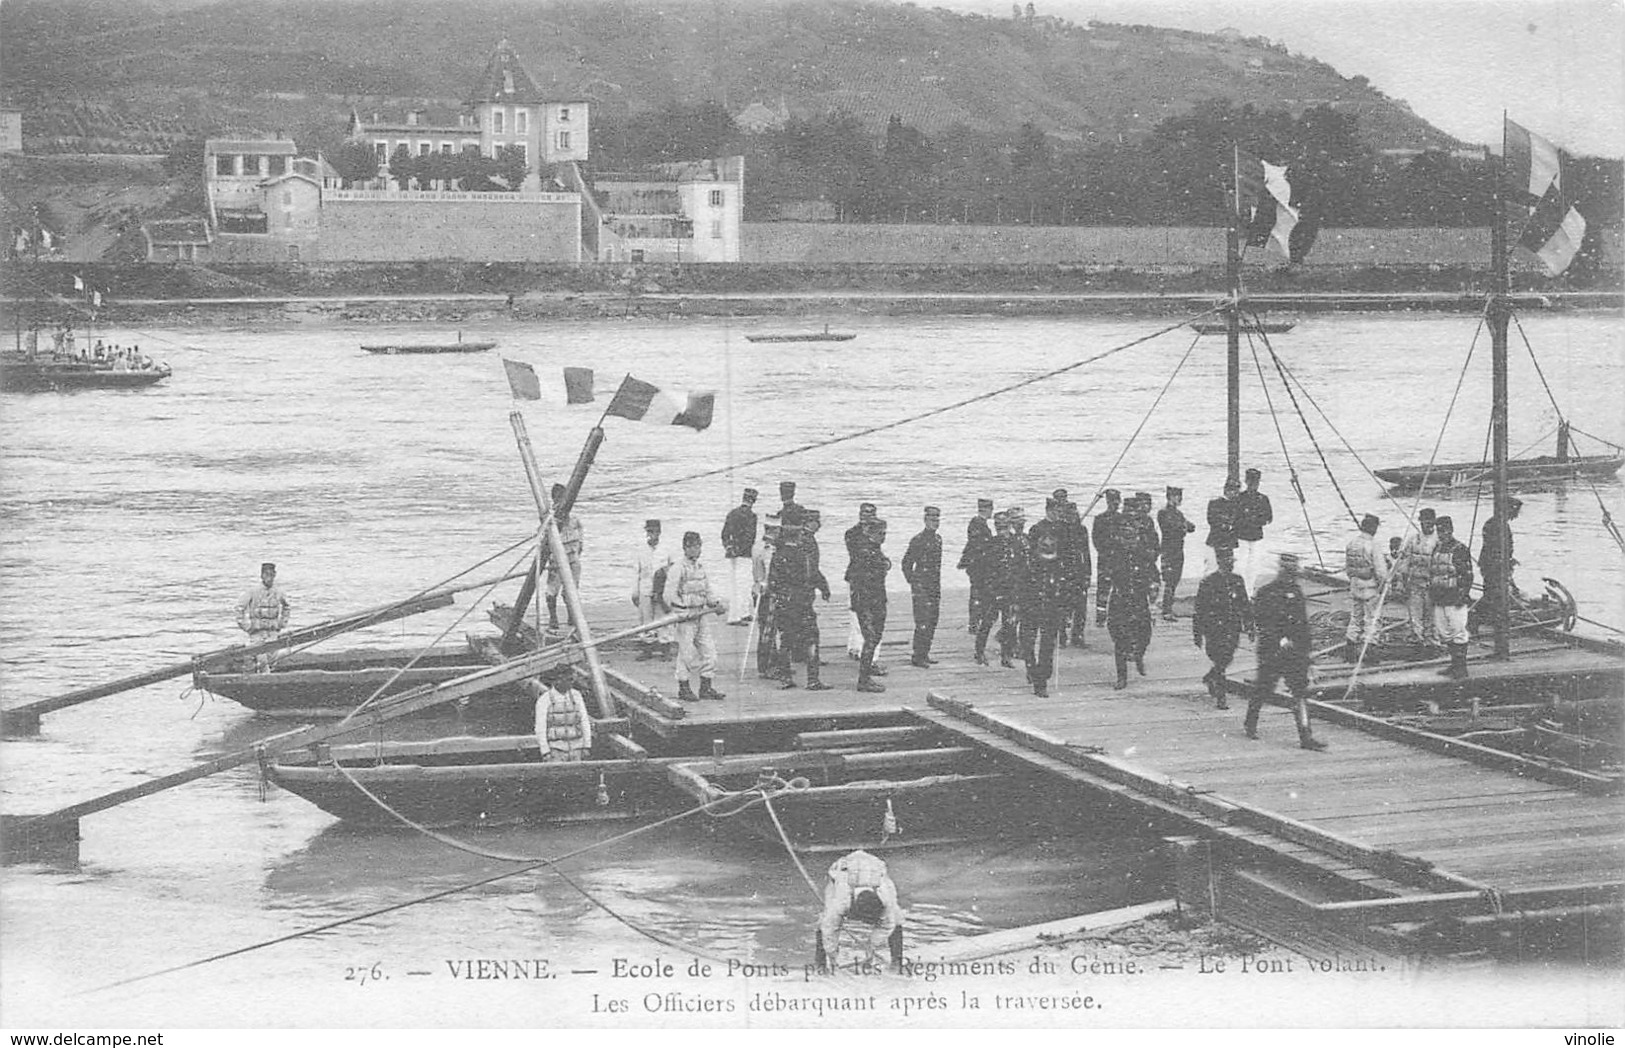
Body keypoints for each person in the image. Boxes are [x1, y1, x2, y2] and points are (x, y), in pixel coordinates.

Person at [1244, 553, 1326, 751]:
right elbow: (1263, 622)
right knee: (1264, 687)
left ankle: (1305, 735)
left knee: (1300, 692)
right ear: (1281, 571)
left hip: (1295, 652)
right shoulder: (1267, 592)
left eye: (1293, 573)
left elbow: (1303, 625)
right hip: (1272, 651)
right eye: (1289, 572)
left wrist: (1308, 654)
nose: (1292, 577)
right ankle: (1250, 722)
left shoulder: (1296, 592)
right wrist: (1280, 640)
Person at [770, 510, 832, 690]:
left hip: (784, 600)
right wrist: (823, 587)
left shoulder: (778, 553)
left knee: (786, 639)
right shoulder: (803, 553)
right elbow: (812, 572)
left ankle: (785, 677)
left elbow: (773, 580)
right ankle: (813, 680)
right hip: (802, 600)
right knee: (812, 637)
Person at [815, 850, 904, 974]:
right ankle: (820, 966)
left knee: (897, 918)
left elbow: (887, 925)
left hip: (875, 869)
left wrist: (871, 947)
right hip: (843, 871)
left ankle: (897, 963)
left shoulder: (885, 900)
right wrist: (833, 958)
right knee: (824, 921)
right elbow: (830, 931)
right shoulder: (842, 901)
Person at [662, 531, 728, 702]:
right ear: (686, 548)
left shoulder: (700, 567)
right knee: (686, 654)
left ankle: (706, 687)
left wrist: (715, 604)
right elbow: (668, 595)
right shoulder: (678, 568)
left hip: (701, 615)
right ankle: (683, 688)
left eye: (699, 546)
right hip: (685, 618)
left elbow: (708, 590)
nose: (698, 550)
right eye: (694, 546)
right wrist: (683, 610)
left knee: (710, 652)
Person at [1193, 546, 1253, 709]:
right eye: (1227, 561)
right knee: (1219, 658)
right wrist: (1197, 634)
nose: (1230, 564)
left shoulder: (1237, 580)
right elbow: (1199, 609)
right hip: (1214, 628)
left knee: (1227, 658)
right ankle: (1221, 697)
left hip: (1232, 626)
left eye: (1231, 561)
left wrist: (1249, 625)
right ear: (1220, 562)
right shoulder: (1209, 582)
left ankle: (1211, 677)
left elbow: (1244, 604)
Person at [1106, 507, 1156, 691]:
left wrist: (1153, 587)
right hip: (1120, 599)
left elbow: (1154, 573)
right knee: (1119, 639)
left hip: (1139, 599)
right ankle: (1122, 677)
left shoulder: (1143, 553)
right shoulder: (1114, 554)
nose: (1130, 543)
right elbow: (1105, 578)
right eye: (1127, 539)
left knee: (1145, 633)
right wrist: (1102, 608)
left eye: (1133, 539)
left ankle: (1139, 655)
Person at [1020, 528, 1068, 697]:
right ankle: (1031, 667)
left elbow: (1064, 589)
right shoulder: (1028, 563)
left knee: (1047, 647)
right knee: (1027, 643)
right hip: (1030, 608)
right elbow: (1019, 585)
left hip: (1050, 609)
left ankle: (1041, 681)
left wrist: (1064, 610)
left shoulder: (1059, 564)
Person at [847, 515, 892, 693]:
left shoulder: (874, 550)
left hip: (876, 599)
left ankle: (866, 675)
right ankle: (863, 679)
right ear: (871, 533)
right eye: (881, 533)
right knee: (871, 638)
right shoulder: (864, 552)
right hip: (866, 601)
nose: (884, 536)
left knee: (875, 637)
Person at [973, 512, 1023, 668]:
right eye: (999, 528)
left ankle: (1006, 655)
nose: (1002, 531)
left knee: (1009, 623)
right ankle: (979, 652)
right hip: (993, 591)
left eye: (1005, 527)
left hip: (1010, 590)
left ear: (1009, 527)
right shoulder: (990, 544)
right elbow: (982, 568)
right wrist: (987, 589)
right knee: (987, 622)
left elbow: (1019, 566)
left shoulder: (1016, 543)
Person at [1428, 516, 1475, 680]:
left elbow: (1467, 575)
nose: (1442, 534)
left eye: (1445, 530)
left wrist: (1463, 595)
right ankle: (1454, 663)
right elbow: (1432, 572)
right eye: (1439, 531)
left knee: (1458, 630)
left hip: (1455, 596)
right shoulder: (1437, 548)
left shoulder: (1460, 549)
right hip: (1439, 596)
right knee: (1443, 631)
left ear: (1451, 529)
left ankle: (1461, 667)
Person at [1343, 513, 1389, 663]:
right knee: (1372, 619)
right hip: (1370, 587)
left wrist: (1353, 581)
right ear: (1373, 528)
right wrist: (1384, 587)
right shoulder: (1373, 545)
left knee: (1355, 618)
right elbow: (1381, 571)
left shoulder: (1351, 543)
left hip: (1355, 584)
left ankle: (1350, 649)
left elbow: (1348, 568)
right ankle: (1370, 652)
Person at [901, 506, 943, 668]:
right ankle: (918, 655)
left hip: (934, 585)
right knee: (922, 621)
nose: (935, 523)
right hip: (921, 587)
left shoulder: (938, 539)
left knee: (932, 620)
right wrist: (913, 582)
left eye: (937, 520)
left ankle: (925, 653)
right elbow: (906, 563)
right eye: (932, 520)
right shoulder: (918, 540)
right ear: (925, 520)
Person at [1474, 497, 1523, 638]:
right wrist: (1504, 562)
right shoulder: (1495, 524)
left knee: (1495, 595)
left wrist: (1509, 559)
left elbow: (1504, 548)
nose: (1517, 515)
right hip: (1492, 566)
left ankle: (1494, 623)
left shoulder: (1499, 524)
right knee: (1493, 595)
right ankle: (1477, 619)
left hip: (1496, 565)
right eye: (1516, 511)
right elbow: (1493, 548)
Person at [631, 519, 674, 660]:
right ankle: (647, 648)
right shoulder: (640, 550)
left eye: (654, 531)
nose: (651, 535)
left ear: (659, 533)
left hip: (662, 589)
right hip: (645, 587)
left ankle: (665, 648)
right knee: (646, 619)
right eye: (649, 531)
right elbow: (636, 572)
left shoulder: (667, 549)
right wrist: (635, 591)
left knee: (663, 618)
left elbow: (673, 570)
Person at [1396, 509, 1440, 647]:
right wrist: (1402, 582)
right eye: (1424, 521)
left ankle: (1432, 642)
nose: (1427, 524)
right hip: (1415, 583)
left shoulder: (1438, 541)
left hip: (1431, 584)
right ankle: (1418, 640)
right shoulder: (1413, 539)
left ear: (1434, 522)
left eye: (1429, 521)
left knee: (1431, 616)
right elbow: (1405, 562)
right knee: (1415, 615)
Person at [237, 562, 291, 672]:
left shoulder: (279, 592)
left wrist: (282, 623)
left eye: (271, 575)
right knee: (262, 660)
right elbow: (239, 609)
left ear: (275, 575)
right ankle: (263, 677)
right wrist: (246, 626)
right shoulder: (252, 591)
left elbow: (287, 607)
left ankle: (268, 677)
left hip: (272, 631)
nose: (269, 578)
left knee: (272, 658)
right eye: (266, 575)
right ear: (262, 576)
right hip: (257, 632)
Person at [533, 663, 593, 761]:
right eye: (568, 679)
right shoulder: (544, 700)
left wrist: (587, 745)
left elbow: (584, 721)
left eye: (572, 679)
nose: (571, 683)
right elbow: (540, 727)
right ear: (558, 680)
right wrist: (545, 751)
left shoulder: (576, 695)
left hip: (576, 748)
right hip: (556, 750)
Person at [545, 483, 584, 630]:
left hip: (572, 558)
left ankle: (571, 617)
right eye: (559, 499)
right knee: (551, 591)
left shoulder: (574, 519)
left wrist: (579, 547)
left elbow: (580, 532)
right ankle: (553, 617)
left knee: (571, 590)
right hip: (557, 560)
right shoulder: (551, 520)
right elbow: (544, 538)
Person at [844, 503, 879, 662]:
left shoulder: (877, 531)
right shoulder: (852, 533)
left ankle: (862, 650)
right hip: (856, 576)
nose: (868, 516)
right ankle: (854, 646)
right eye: (865, 513)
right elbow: (856, 553)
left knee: (869, 616)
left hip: (871, 578)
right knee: (855, 612)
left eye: (871, 513)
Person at [721, 488, 759, 625]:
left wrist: (729, 547)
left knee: (736, 584)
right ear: (753, 501)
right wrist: (740, 549)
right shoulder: (752, 516)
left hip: (732, 554)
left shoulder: (732, 513)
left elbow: (724, 534)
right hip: (744, 554)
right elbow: (750, 538)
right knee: (744, 584)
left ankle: (743, 612)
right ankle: (736, 616)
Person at [1157, 486, 1196, 620]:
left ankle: (1168, 608)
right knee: (1170, 580)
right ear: (1170, 497)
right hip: (1169, 549)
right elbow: (1171, 528)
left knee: (1175, 579)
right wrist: (1183, 526)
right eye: (1177, 496)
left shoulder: (1177, 514)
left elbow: (1191, 527)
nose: (1180, 499)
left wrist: (1183, 526)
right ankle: (1166, 610)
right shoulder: (1163, 512)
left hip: (1177, 548)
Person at [958, 498, 995, 633]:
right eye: (991, 509)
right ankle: (974, 622)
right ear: (986, 509)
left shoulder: (978, 523)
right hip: (978, 566)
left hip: (976, 565)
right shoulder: (978, 525)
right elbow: (979, 546)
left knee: (977, 593)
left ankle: (974, 621)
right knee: (978, 593)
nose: (992, 512)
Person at [1235, 468, 1273, 595]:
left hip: (1256, 537)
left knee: (1254, 567)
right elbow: (1236, 517)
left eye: (1256, 482)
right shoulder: (1240, 498)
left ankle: (1249, 591)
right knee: (1240, 566)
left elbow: (1269, 518)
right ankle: (1242, 591)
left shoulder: (1263, 499)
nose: (1253, 485)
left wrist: (1257, 521)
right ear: (1246, 482)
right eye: (1251, 482)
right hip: (1242, 537)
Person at [753, 514, 782, 679]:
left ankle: (772, 663)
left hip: (765, 591)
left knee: (769, 629)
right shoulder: (766, 549)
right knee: (767, 631)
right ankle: (767, 667)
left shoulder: (760, 546)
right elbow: (765, 574)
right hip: (767, 593)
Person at [1060, 499, 1092, 648]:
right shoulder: (1060, 529)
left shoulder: (1081, 529)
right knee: (1063, 606)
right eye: (1069, 513)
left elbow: (1086, 553)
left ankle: (1077, 636)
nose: (1072, 516)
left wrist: (1088, 574)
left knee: (1081, 608)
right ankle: (1061, 636)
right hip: (1064, 573)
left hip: (1079, 572)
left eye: (1074, 513)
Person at [1092, 489, 1125, 626]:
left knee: (1120, 587)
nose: (1115, 504)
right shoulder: (1100, 519)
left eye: (1117, 502)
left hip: (1119, 558)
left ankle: (1117, 615)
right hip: (1105, 558)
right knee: (1103, 589)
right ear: (1108, 502)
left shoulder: (1122, 519)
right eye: (1112, 502)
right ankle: (1100, 617)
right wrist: (1105, 550)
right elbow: (1096, 539)